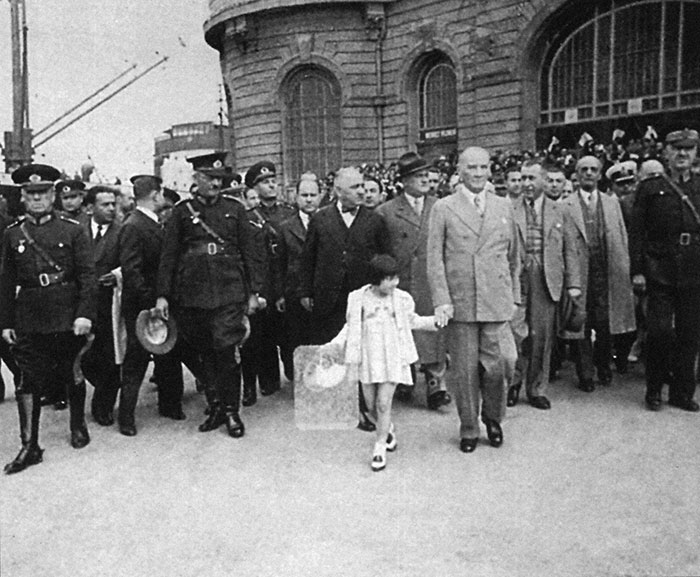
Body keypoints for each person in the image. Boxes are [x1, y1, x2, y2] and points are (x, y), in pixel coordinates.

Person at [156, 153, 266, 437]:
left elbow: (251, 253)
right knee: (204, 353)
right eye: (210, 178)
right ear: (197, 179)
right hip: (191, 294)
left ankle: (231, 412)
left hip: (229, 291)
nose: (216, 183)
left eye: (219, 178)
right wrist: (163, 296)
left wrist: (254, 292)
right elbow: (169, 256)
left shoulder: (235, 209)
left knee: (226, 351)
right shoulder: (181, 212)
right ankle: (215, 405)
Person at [1, 164, 96, 474]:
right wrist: (6, 322)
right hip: (30, 314)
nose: (37, 199)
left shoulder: (72, 230)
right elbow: (6, 280)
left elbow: (87, 276)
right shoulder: (13, 233)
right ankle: (30, 445)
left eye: (42, 193)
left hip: (66, 312)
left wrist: (84, 314)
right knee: (27, 379)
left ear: (53, 194)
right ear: (22, 197)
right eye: (31, 194)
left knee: (71, 370)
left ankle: (77, 425)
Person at [427, 146, 520, 453]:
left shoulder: (503, 205)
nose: (478, 174)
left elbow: (513, 257)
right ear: (460, 171)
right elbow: (434, 259)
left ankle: (493, 417)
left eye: (483, 167)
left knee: (501, 364)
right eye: (472, 168)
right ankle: (469, 426)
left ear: (490, 170)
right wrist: (442, 299)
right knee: (465, 370)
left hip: (495, 300)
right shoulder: (444, 207)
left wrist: (514, 297)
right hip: (461, 300)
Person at [323, 255, 437, 471]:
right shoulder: (357, 298)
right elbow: (349, 327)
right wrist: (334, 344)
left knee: (384, 404)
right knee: (372, 406)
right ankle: (388, 430)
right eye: (389, 279)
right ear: (376, 279)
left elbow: (413, 321)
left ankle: (379, 447)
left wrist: (435, 322)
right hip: (367, 357)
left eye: (396, 278)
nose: (394, 283)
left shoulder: (402, 299)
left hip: (392, 356)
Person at [300, 166, 390, 430]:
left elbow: (386, 258)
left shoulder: (375, 220)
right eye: (355, 187)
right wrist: (305, 291)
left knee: (360, 354)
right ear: (338, 191)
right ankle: (336, 403)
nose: (361, 191)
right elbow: (308, 259)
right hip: (329, 298)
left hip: (363, 299)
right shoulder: (321, 219)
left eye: (363, 186)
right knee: (333, 351)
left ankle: (362, 409)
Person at [630, 129, 700, 412]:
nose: (682, 154)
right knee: (659, 332)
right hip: (660, 269)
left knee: (690, 333)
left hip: (694, 269)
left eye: (689, 149)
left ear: (695, 153)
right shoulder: (650, 188)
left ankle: (682, 393)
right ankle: (654, 389)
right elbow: (637, 233)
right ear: (666, 153)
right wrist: (637, 271)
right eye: (676, 149)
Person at [117, 175, 193, 436]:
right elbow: (132, 270)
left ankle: (170, 405)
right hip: (143, 306)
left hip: (161, 302)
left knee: (169, 353)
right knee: (137, 360)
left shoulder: (151, 223)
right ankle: (126, 416)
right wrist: (151, 302)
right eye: (161, 193)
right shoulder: (134, 225)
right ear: (155, 195)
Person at [376, 152, 451, 410]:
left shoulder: (441, 205)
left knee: (435, 331)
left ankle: (436, 385)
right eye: (418, 176)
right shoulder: (386, 211)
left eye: (426, 175)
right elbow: (382, 251)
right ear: (404, 181)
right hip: (403, 281)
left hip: (432, 280)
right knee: (404, 331)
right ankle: (405, 380)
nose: (424, 180)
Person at [507, 160, 580, 410]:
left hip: (547, 277)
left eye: (532, 179)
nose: (526, 184)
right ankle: (513, 383)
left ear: (544, 180)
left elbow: (570, 249)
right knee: (515, 332)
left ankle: (536, 388)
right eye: (523, 178)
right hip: (516, 275)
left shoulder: (561, 210)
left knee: (542, 336)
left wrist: (574, 284)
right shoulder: (508, 208)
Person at [560, 156, 636, 392]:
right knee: (580, 321)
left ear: (600, 174)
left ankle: (603, 365)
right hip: (580, 271)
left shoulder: (612, 203)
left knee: (604, 323)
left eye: (593, 169)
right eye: (584, 170)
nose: (589, 173)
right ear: (577, 173)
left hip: (607, 271)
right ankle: (585, 374)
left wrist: (625, 268)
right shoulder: (566, 205)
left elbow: (622, 236)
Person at [242, 161, 296, 396]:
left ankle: (293, 372)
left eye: (273, 180)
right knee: (263, 335)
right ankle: (269, 380)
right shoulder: (249, 216)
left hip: (284, 279)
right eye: (264, 182)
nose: (271, 184)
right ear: (254, 187)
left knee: (289, 332)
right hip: (263, 282)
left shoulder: (288, 212)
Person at [274, 175, 323, 391]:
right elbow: (279, 264)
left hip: (323, 290)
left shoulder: (330, 222)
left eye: (313, 195)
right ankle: (303, 382)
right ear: (296, 197)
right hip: (294, 292)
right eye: (304, 195)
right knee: (298, 337)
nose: (309, 200)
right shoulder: (285, 228)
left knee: (322, 337)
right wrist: (280, 294)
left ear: (320, 196)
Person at [81, 185, 122, 427]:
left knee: (109, 357)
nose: (111, 208)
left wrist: (117, 274)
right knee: (85, 358)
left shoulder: (122, 231)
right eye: (104, 204)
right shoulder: (78, 230)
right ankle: (103, 390)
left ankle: (103, 405)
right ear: (89, 208)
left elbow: (132, 260)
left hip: (110, 304)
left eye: (113, 204)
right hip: (84, 304)